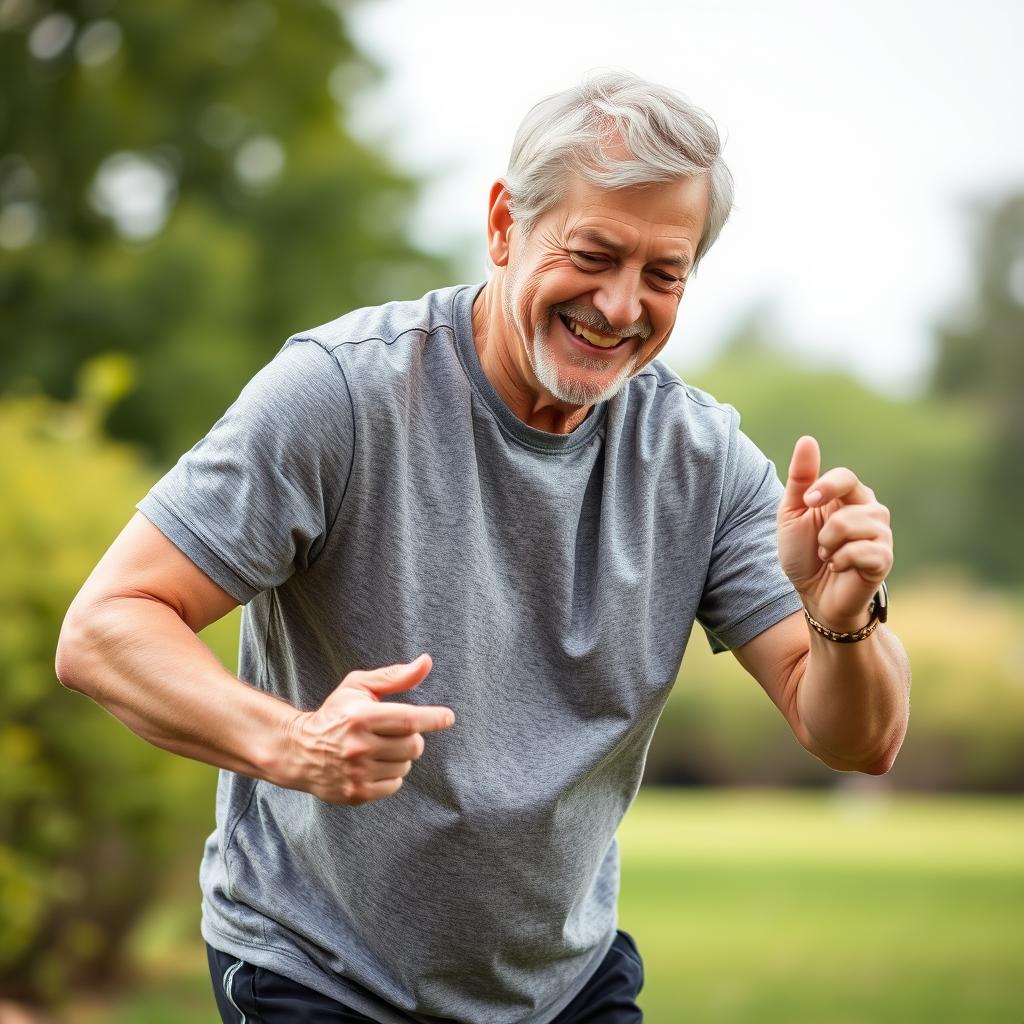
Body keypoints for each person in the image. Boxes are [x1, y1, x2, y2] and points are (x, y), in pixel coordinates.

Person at [55, 70, 910, 1023]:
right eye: (593, 253)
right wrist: (293, 744)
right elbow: (105, 627)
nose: (623, 307)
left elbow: (858, 737)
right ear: (505, 225)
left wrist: (845, 623)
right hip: (319, 973)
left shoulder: (702, 460)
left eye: (664, 275)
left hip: (560, 984)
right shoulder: (339, 397)